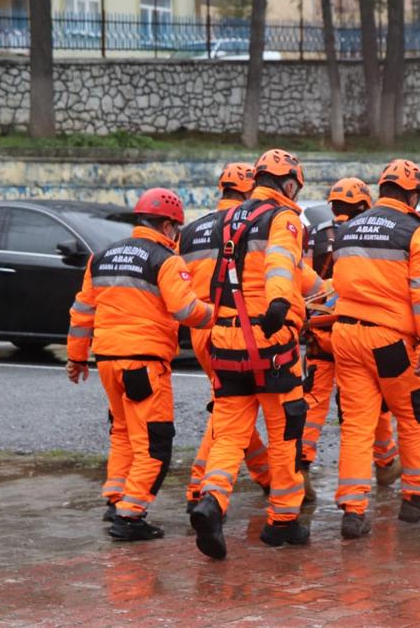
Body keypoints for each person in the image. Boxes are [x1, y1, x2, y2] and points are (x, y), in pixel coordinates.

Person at [66, 187, 213, 541]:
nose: (176, 235)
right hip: (144, 363)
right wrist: (218, 314)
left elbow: (82, 312)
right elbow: (186, 311)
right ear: (167, 225)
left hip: (107, 362)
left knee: (122, 433)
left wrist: (75, 356)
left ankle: (116, 499)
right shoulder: (165, 259)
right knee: (154, 443)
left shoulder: (101, 257)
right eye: (176, 229)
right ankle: (130, 516)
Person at [191, 149, 311, 559]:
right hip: (270, 341)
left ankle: (212, 500)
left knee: (228, 435)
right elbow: (280, 264)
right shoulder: (284, 218)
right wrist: (279, 306)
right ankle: (283, 522)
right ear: (290, 183)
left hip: (224, 339)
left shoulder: (225, 219)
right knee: (285, 433)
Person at [331, 159, 420, 539]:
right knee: (413, 418)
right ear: (414, 194)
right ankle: (415, 498)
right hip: (391, 340)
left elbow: (339, 282)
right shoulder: (416, 230)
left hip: (344, 335)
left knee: (357, 424)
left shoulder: (348, 228)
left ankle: (353, 507)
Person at [301, 178, 402, 502]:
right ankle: (385, 462)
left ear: (332, 206)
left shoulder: (316, 235)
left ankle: (299, 467)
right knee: (371, 402)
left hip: (319, 333)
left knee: (313, 405)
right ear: (363, 206)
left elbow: (302, 279)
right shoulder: (367, 234)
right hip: (354, 329)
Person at [180, 163, 271, 512]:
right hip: (235, 327)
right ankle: (198, 489)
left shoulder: (190, 230)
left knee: (231, 406)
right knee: (230, 411)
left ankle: (266, 475)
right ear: (249, 190)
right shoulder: (245, 224)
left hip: (200, 327)